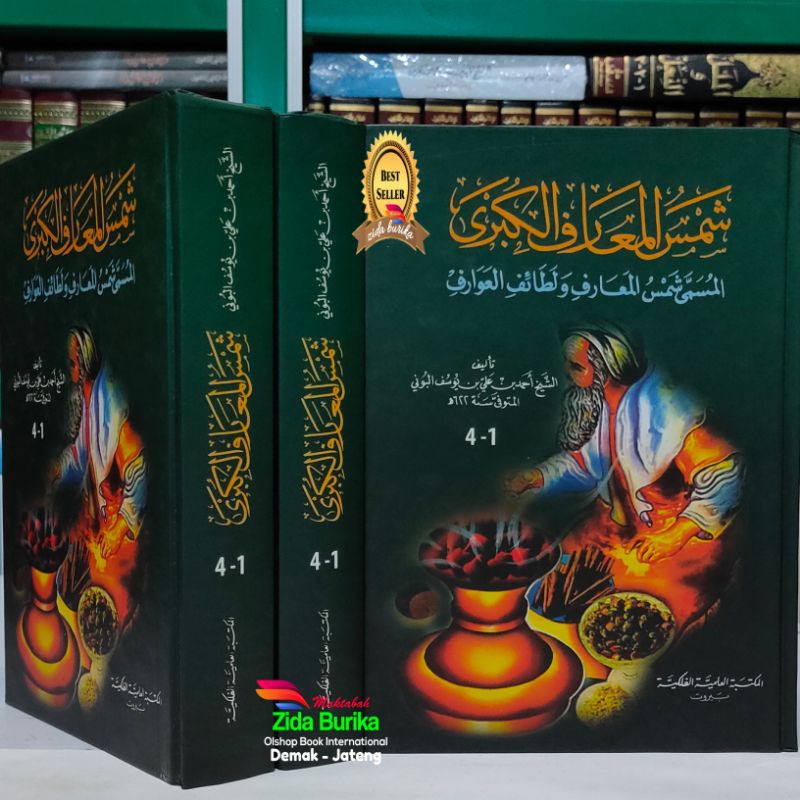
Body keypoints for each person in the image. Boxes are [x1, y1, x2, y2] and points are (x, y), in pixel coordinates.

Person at [508, 323, 743, 630]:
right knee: (540, 601)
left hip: (669, 541)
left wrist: (678, 533)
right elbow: (584, 465)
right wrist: (539, 476)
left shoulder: (672, 410)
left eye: (576, 366)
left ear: (607, 369)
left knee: (631, 625)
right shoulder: (596, 403)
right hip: (608, 530)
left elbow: (727, 475)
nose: (566, 371)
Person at [51, 326, 146, 623]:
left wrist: (121, 526)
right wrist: (59, 468)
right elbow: (81, 453)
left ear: (83, 361)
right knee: (68, 590)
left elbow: (137, 468)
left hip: (120, 533)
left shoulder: (112, 401)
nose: (69, 371)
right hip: (97, 523)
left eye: (72, 363)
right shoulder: (89, 398)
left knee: (114, 612)